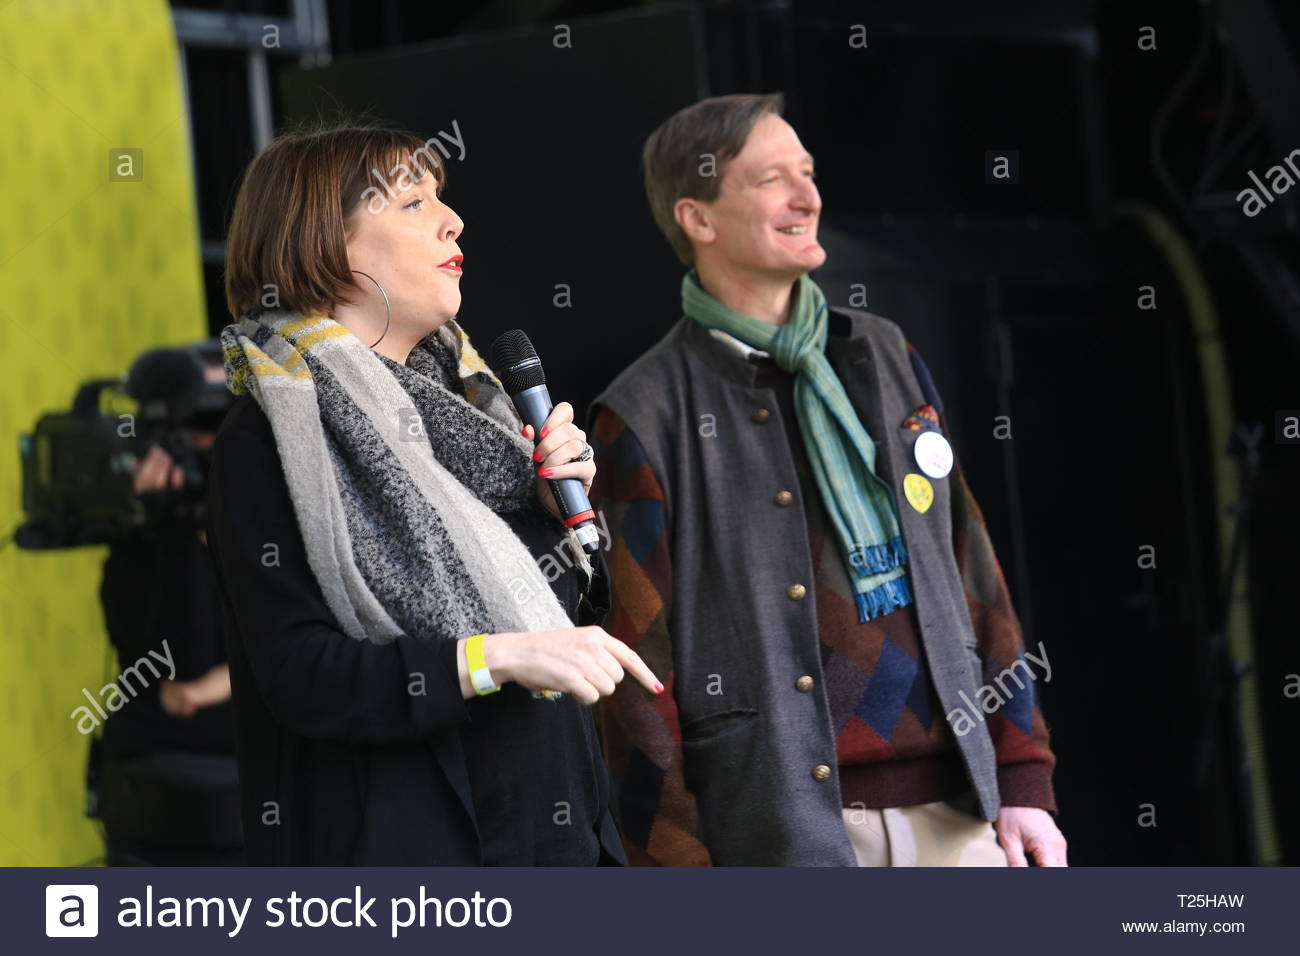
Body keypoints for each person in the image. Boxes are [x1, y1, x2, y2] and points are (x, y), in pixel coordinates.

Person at [589, 94, 1067, 867]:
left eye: (807, 174)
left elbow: (972, 572)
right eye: (772, 179)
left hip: (963, 817)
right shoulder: (644, 413)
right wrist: (678, 871)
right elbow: (635, 670)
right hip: (786, 842)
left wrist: (1023, 779)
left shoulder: (885, 354)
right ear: (698, 219)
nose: (807, 197)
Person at [206, 124, 661, 866]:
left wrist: (557, 511)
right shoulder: (268, 434)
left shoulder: (480, 417)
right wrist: (497, 656)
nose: (453, 220)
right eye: (414, 202)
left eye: (440, 198)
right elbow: (301, 676)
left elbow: (562, 626)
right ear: (327, 242)